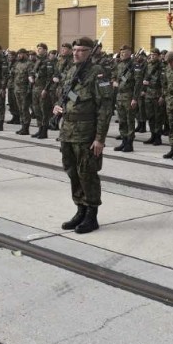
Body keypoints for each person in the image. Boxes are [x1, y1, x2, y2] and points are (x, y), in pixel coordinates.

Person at [52, 37, 114, 234]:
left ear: (90, 52)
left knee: (87, 173)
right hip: (68, 132)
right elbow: (70, 96)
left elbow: (105, 109)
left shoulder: (98, 74)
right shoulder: (72, 70)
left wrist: (100, 139)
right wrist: (59, 107)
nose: (76, 53)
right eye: (75, 50)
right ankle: (80, 209)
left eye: (81, 50)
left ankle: (91, 215)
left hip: (86, 133)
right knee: (72, 171)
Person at [112, 45, 138, 152]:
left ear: (129, 53)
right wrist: (113, 81)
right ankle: (123, 140)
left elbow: (138, 83)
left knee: (129, 120)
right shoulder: (119, 64)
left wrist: (135, 98)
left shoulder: (134, 65)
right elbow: (114, 75)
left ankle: (129, 143)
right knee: (122, 120)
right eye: (121, 52)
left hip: (129, 96)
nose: (122, 54)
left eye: (125, 52)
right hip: (119, 96)